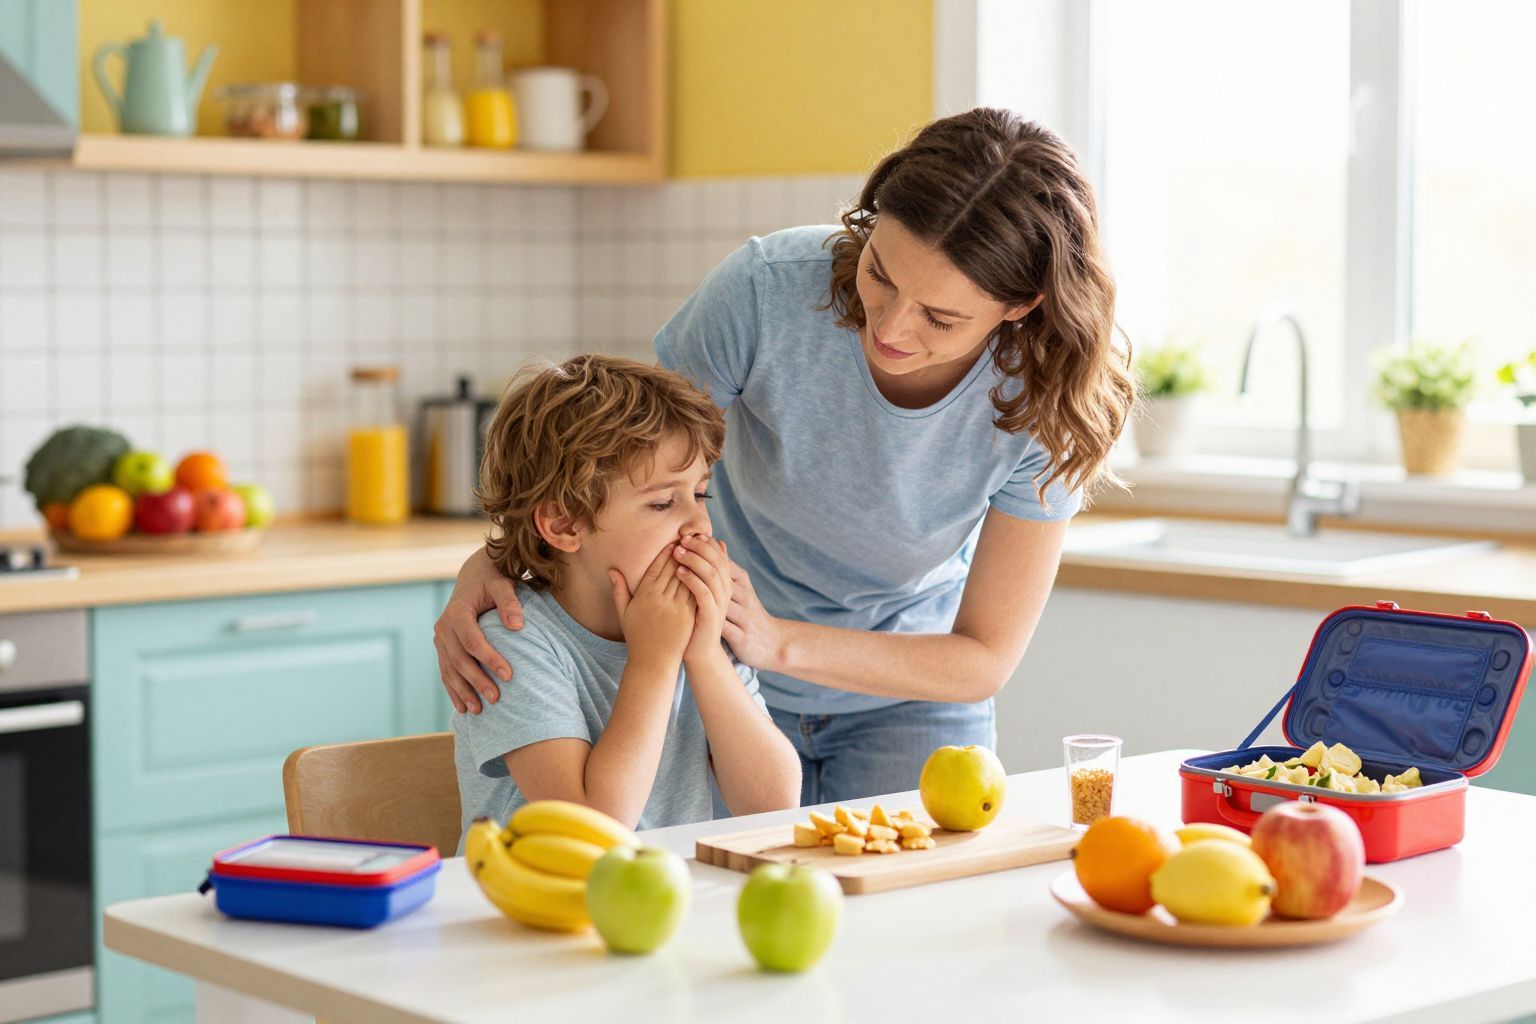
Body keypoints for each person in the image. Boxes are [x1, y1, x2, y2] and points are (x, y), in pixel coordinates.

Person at [439, 108, 1135, 806]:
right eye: (881, 274)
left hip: (891, 697)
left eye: (941, 317)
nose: (890, 327)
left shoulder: (1049, 401)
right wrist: (494, 562)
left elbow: (982, 657)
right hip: (717, 667)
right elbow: (631, 468)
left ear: (1019, 306)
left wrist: (768, 642)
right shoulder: (766, 290)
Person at [451, 354, 800, 849]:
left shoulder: (696, 626)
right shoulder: (514, 643)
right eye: (662, 503)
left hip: (659, 905)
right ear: (566, 524)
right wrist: (655, 659)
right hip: (536, 912)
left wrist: (702, 655)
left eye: (700, 495)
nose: (698, 525)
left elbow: (775, 803)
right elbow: (594, 833)